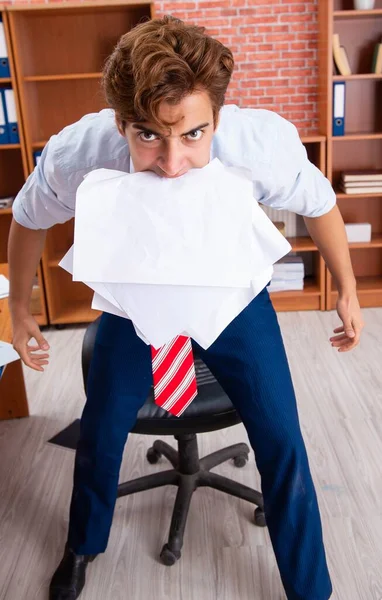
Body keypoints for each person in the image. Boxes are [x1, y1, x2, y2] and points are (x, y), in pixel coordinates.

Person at [8, 15, 364, 600]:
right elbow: (27, 218)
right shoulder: (83, 150)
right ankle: (83, 544)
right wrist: (22, 309)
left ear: (217, 119)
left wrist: (347, 288)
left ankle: (311, 588)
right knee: (100, 431)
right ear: (121, 123)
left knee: (281, 436)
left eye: (193, 135)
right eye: (148, 135)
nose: (173, 162)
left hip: (233, 302)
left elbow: (321, 202)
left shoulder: (256, 143)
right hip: (133, 306)